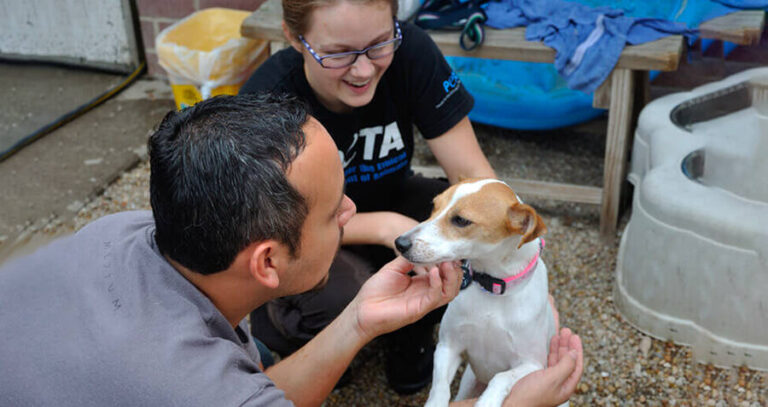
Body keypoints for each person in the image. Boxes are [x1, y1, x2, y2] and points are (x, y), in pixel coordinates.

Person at [0, 93, 583, 406]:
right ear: (267, 263)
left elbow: (255, 389)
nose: (358, 214)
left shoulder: (118, 231)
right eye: (336, 212)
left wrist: (358, 320)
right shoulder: (191, 388)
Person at [239, 0, 500, 393]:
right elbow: (269, 227)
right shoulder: (267, 100)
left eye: (379, 44)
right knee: (336, 298)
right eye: (338, 53)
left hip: (391, 193)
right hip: (307, 232)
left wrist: (518, 268)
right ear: (294, 37)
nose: (363, 69)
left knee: (459, 227)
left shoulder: (411, 50)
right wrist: (383, 227)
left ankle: (410, 331)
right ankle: (300, 333)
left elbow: (472, 178)